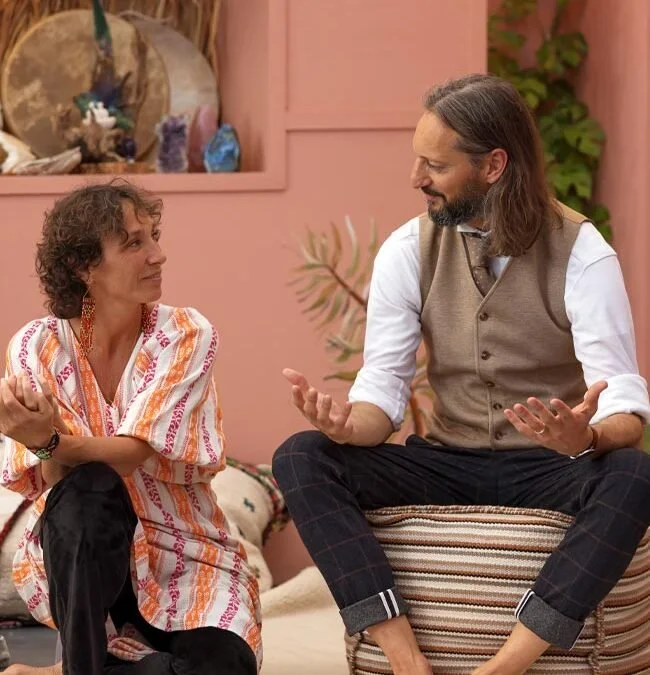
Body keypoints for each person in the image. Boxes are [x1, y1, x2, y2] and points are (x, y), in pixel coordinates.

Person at [272, 73, 650, 675]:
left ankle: (507, 664)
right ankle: (405, 659)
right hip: (448, 462)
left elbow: (624, 405)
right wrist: (346, 426)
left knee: (634, 474)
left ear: (493, 165)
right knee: (302, 455)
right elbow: (381, 396)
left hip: (552, 467)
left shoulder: (583, 253)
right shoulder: (407, 250)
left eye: (435, 165)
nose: (415, 178)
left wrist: (589, 436)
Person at [0, 180, 261, 675]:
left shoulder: (185, 334)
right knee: (87, 487)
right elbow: (56, 483)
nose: (158, 255)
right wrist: (43, 444)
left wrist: (46, 439)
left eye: (154, 237)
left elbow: (133, 451)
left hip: (188, 563)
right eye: (134, 243)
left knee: (226, 666)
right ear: (84, 266)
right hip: (93, 569)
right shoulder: (36, 347)